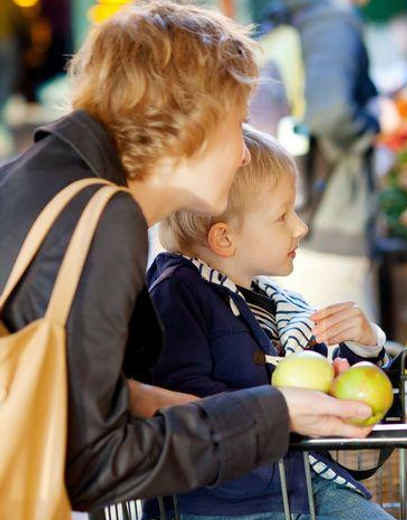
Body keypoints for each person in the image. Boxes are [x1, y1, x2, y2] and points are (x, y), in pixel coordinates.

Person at [0, 0, 374, 512]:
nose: (245, 154)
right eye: (237, 124)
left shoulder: (45, 175)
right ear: (188, 122)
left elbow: (70, 389)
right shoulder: (102, 217)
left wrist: (196, 405)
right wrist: (273, 414)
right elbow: (96, 461)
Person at [147, 127, 393, 519]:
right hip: (223, 507)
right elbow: (183, 404)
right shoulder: (177, 295)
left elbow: (323, 384)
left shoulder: (272, 302)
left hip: (299, 489)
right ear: (225, 239)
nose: (301, 227)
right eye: (282, 216)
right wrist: (276, 407)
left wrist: (363, 346)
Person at [263, 0, 381, 317]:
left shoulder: (297, 14)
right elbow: (331, 112)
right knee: (350, 360)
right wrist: (374, 122)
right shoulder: (334, 23)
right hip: (332, 225)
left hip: (305, 218)